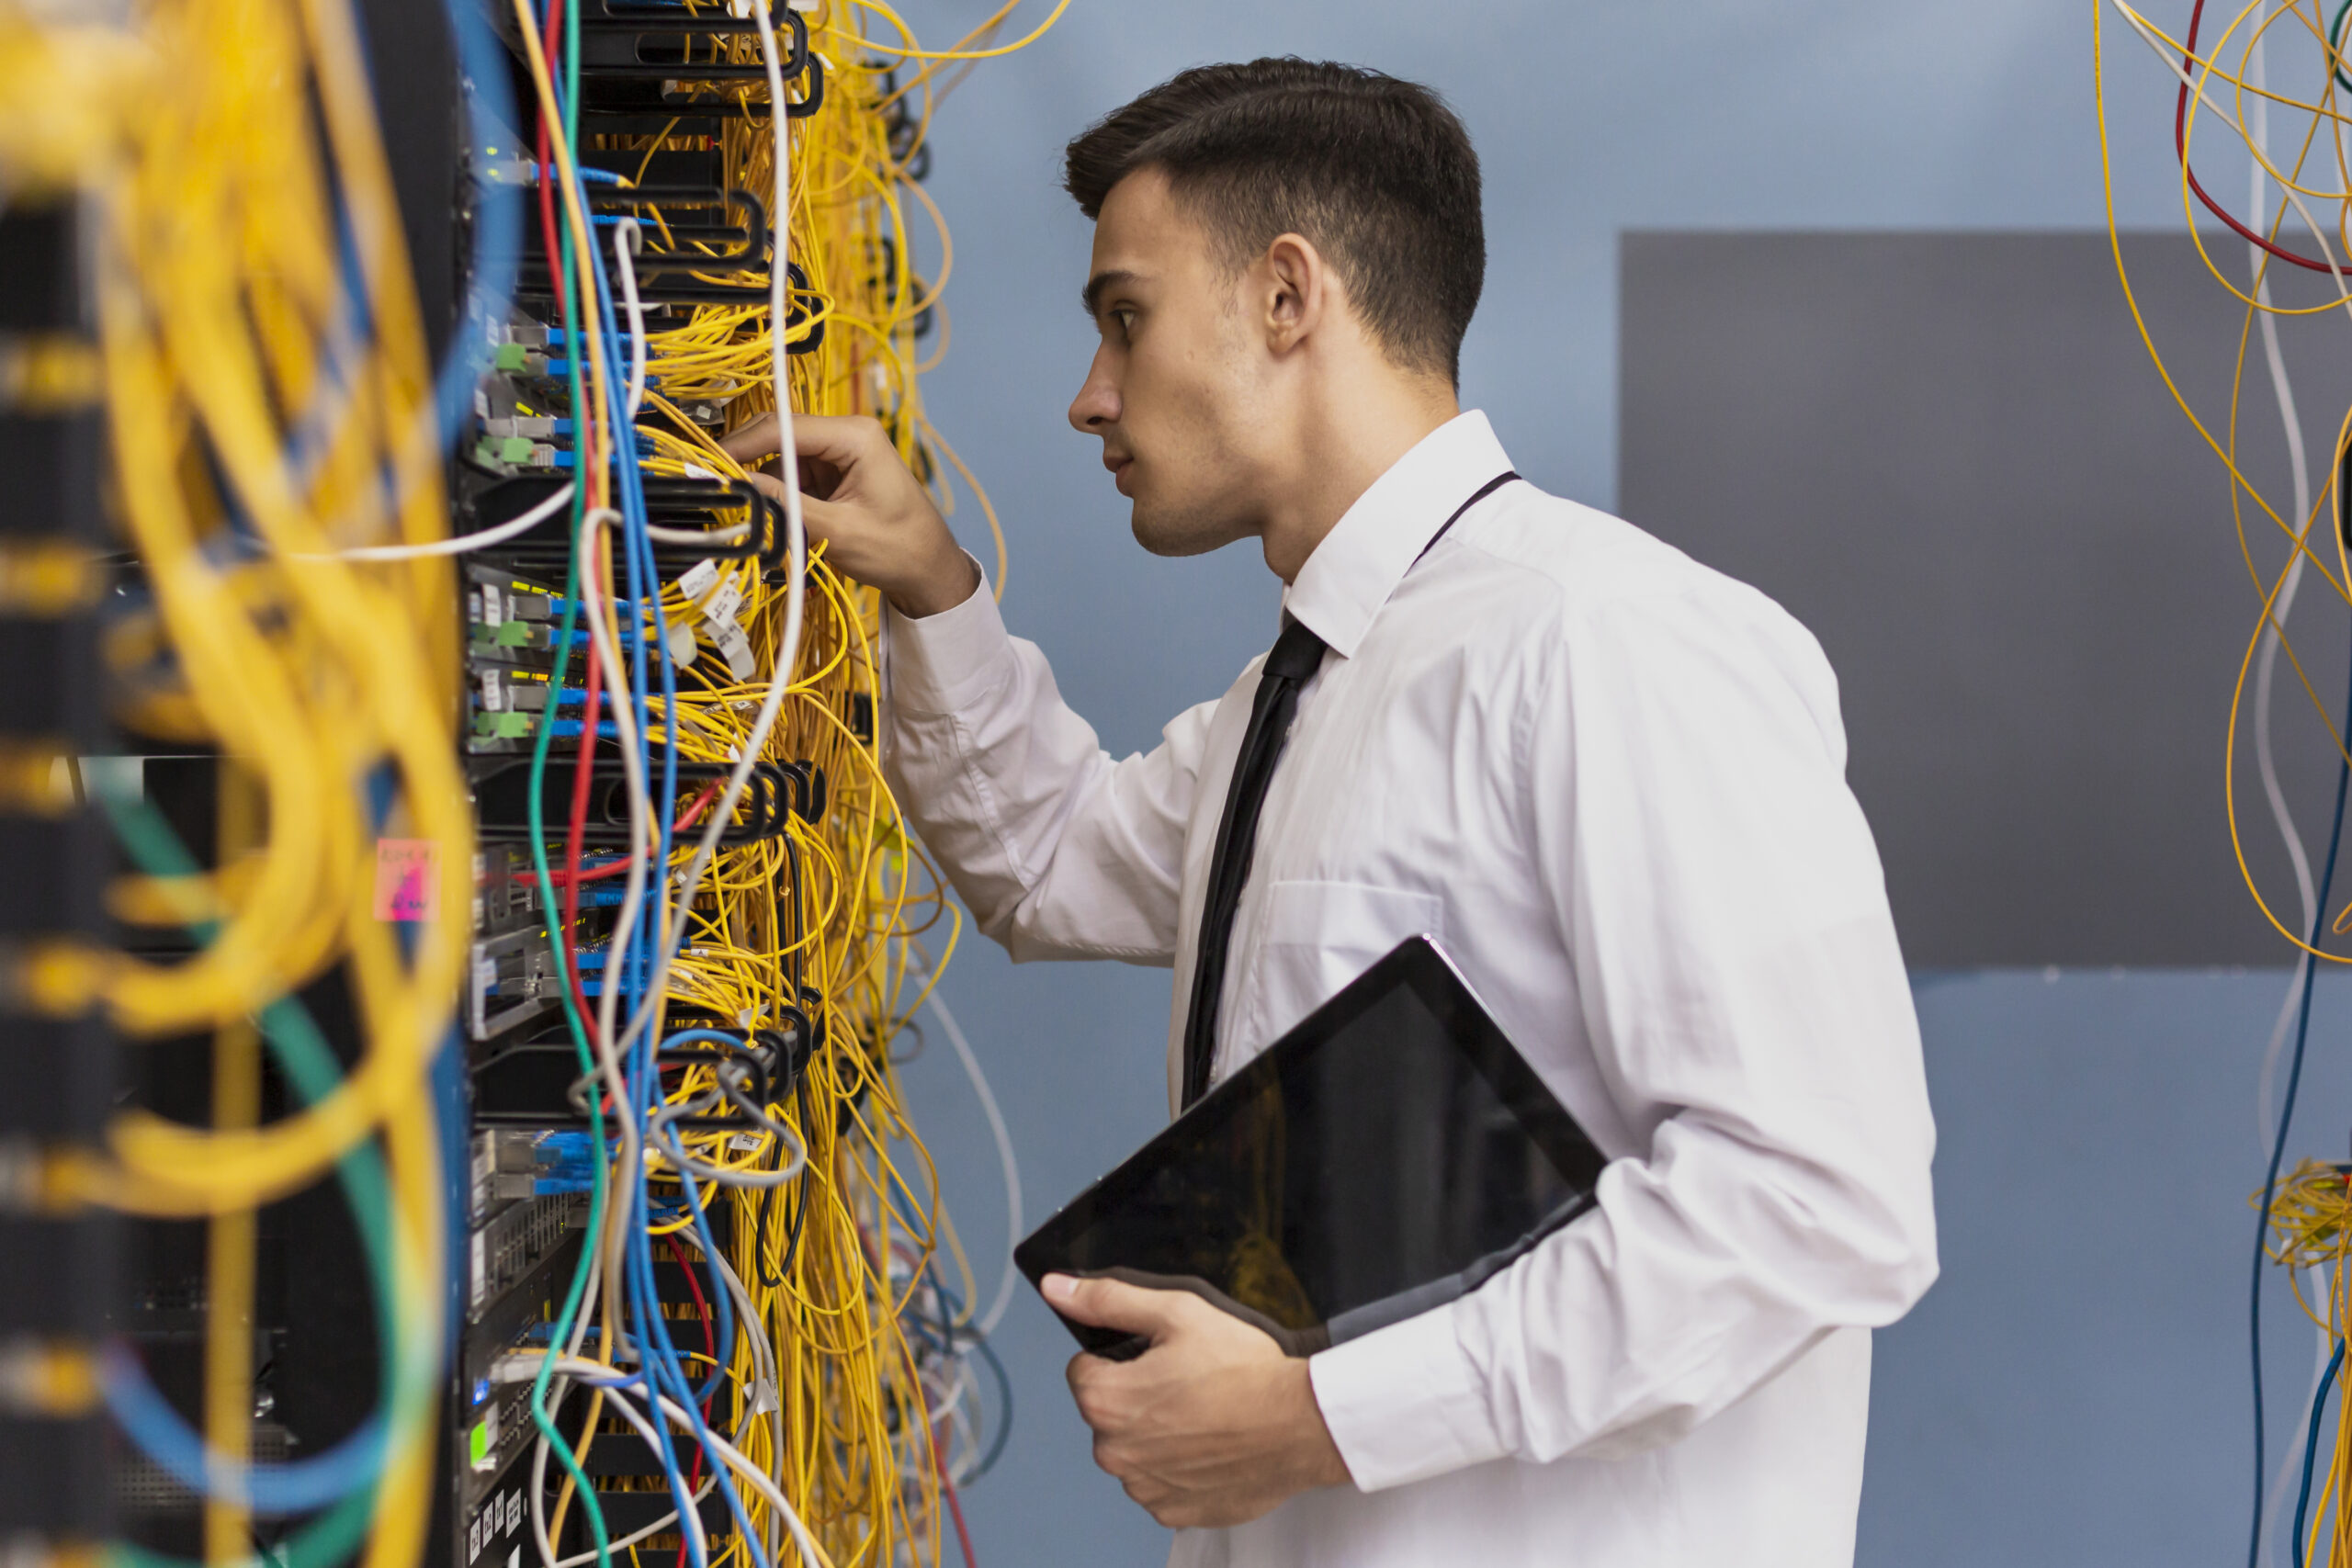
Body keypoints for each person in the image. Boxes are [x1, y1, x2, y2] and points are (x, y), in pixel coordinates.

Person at [720, 56, 1939, 1568]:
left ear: (1287, 297)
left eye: (1124, 319)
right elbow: (1049, 865)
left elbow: (1819, 1203)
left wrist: (1322, 1419)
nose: (1090, 397)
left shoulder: (1609, 642)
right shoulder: (1309, 690)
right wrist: (930, 584)